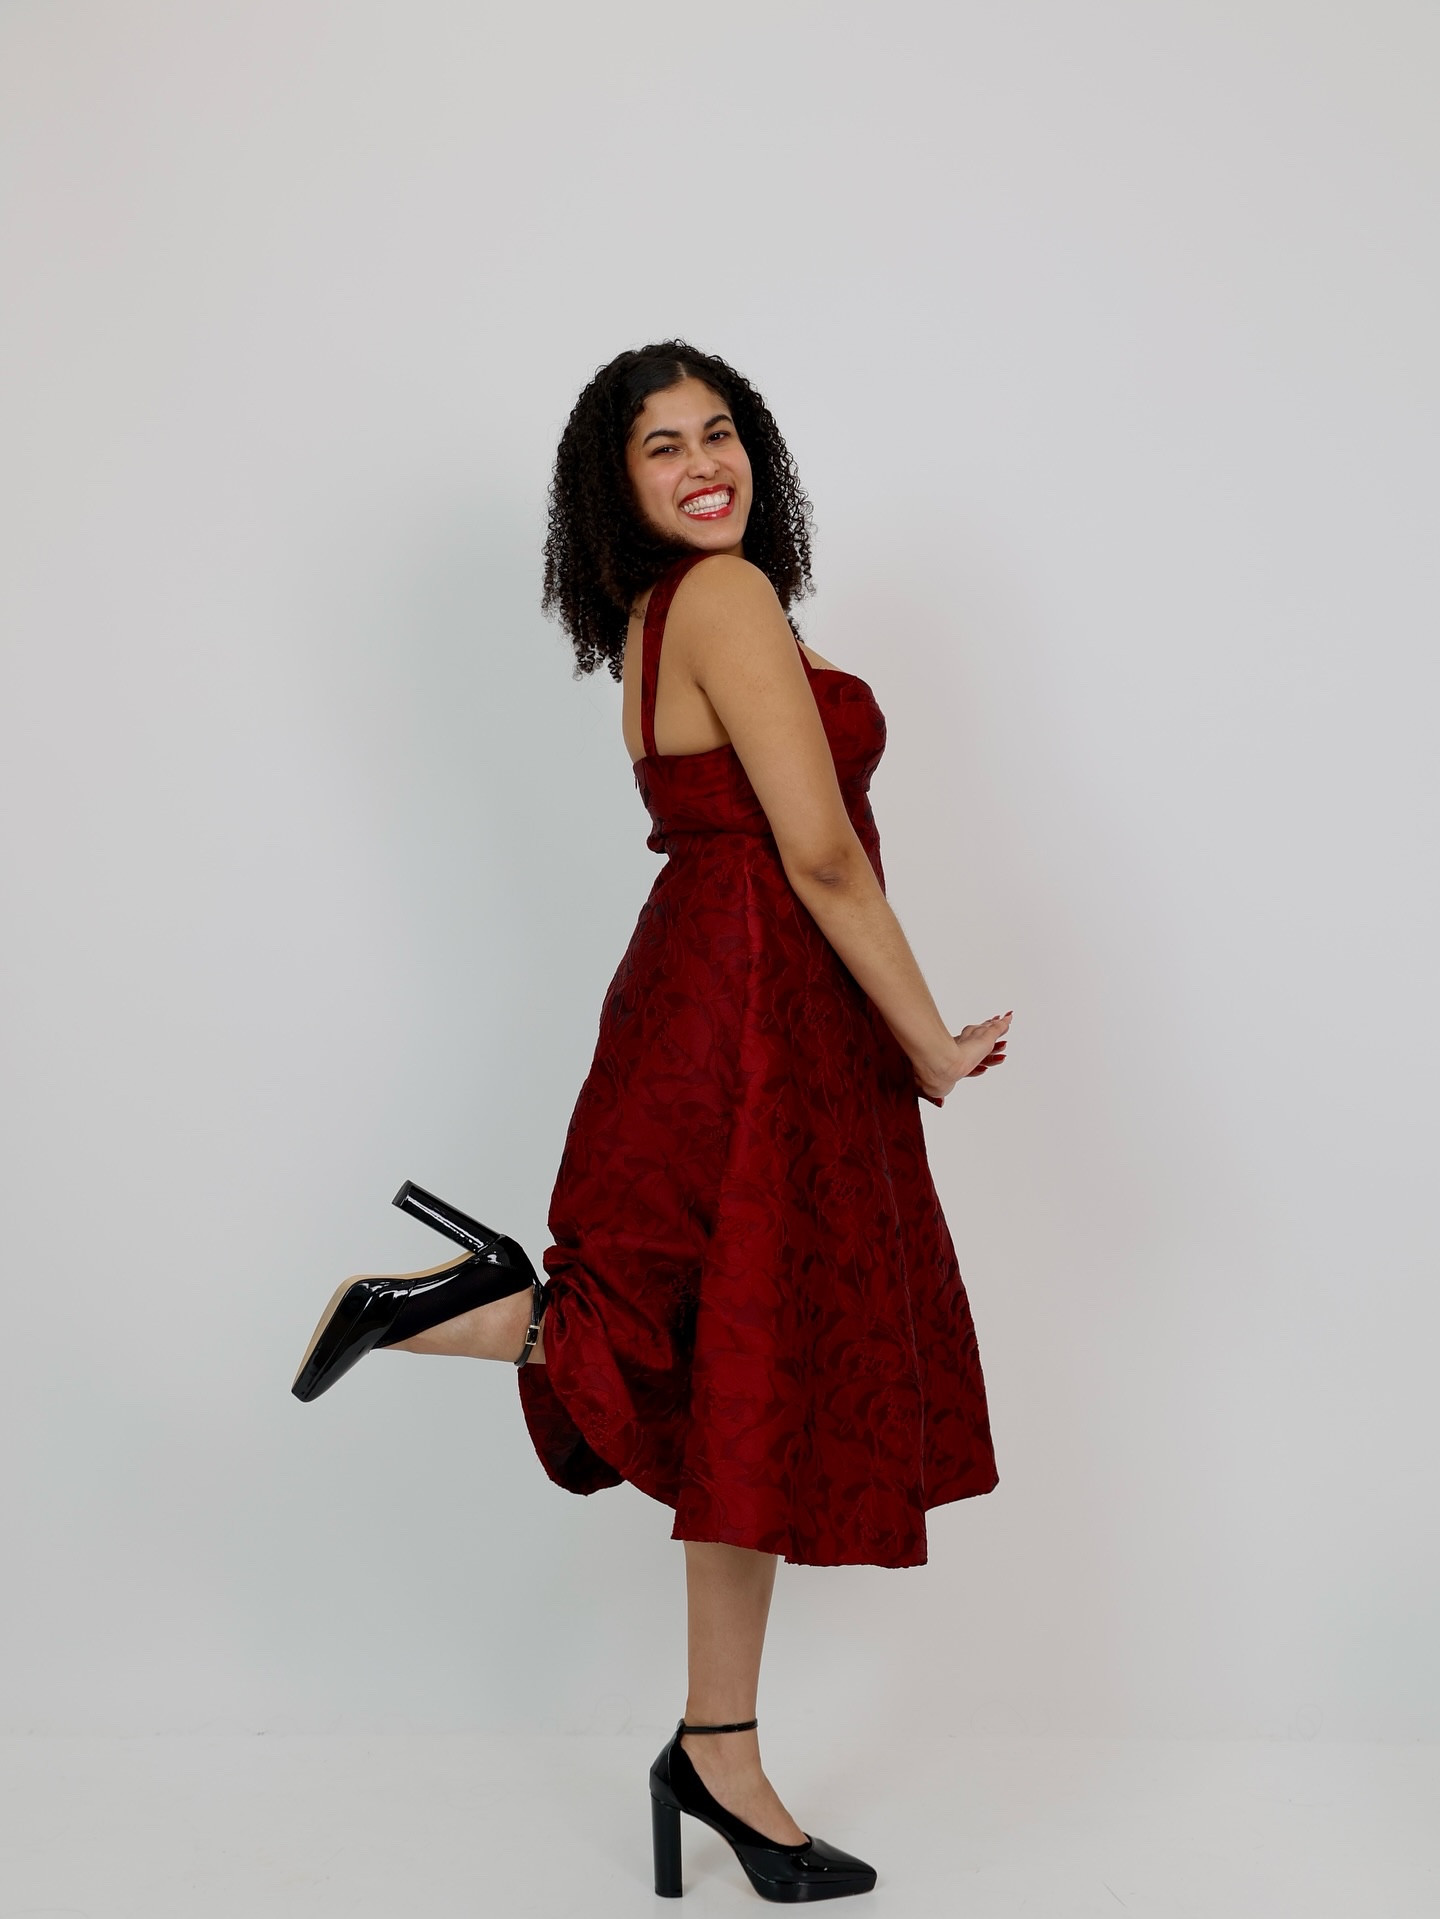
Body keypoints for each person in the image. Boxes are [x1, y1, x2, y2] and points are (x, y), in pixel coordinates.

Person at [291, 340, 1011, 1903]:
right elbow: (818, 855)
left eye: (722, 431)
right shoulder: (729, 602)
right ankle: (451, 1313)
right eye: (660, 447)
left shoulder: (658, 618)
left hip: (712, 988)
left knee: (734, 1384)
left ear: (758, 449)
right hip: (758, 1004)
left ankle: (717, 1750)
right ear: (612, 489)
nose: (704, 463)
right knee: (735, 1355)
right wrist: (931, 1045)